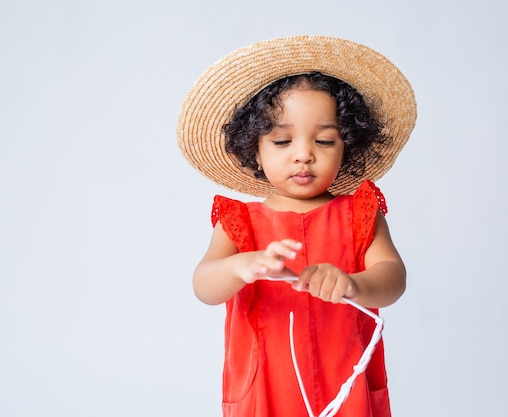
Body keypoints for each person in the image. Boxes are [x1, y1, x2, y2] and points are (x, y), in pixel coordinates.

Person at [177, 36, 417, 417]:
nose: (303, 154)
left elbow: (393, 278)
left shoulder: (360, 215)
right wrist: (240, 266)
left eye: (324, 140)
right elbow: (204, 285)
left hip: (345, 379)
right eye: (282, 141)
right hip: (267, 387)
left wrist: (355, 284)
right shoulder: (240, 223)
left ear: (347, 146)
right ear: (254, 148)